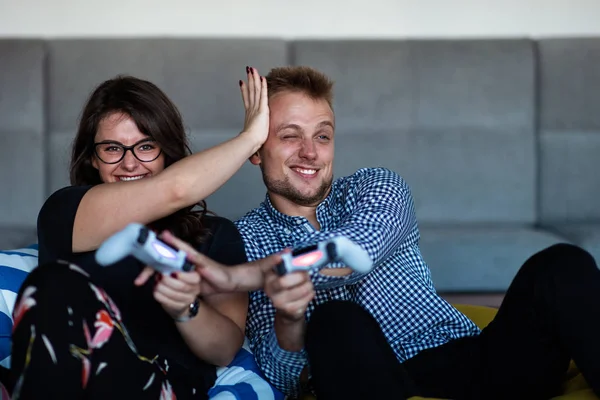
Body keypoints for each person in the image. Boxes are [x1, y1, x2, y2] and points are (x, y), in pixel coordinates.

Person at [185, 66, 600, 400]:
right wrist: (289, 321)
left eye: (323, 136)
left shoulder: (376, 186)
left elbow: (355, 251)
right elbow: (282, 380)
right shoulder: (246, 240)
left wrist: (253, 275)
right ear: (256, 150)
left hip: (474, 361)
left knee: (563, 264)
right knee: (334, 320)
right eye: (289, 136)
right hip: (370, 382)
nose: (310, 152)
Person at [9, 69, 280, 399]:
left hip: (159, 383)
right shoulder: (66, 211)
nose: (130, 164)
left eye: (146, 146)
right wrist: (250, 138)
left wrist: (185, 308)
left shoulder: (213, 235)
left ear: (167, 151)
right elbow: (176, 189)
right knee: (51, 283)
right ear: (92, 158)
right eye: (112, 149)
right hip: (72, 371)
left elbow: (223, 351)